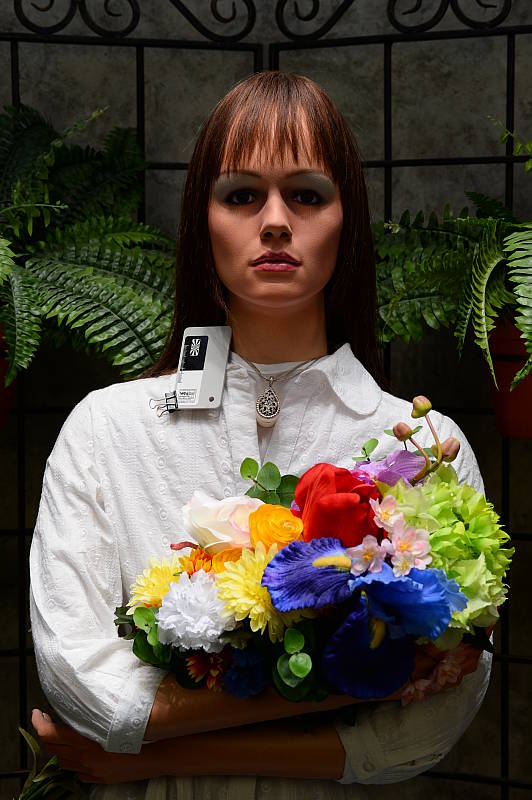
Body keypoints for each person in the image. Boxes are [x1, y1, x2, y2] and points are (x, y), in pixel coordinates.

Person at [29, 71, 492, 798]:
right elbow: (83, 684)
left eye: (306, 195)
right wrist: (378, 673)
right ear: (201, 220)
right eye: (242, 195)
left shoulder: (422, 447)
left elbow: (425, 732)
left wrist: (158, 756)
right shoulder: (106, 431)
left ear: (347, 219)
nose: (275, 221)